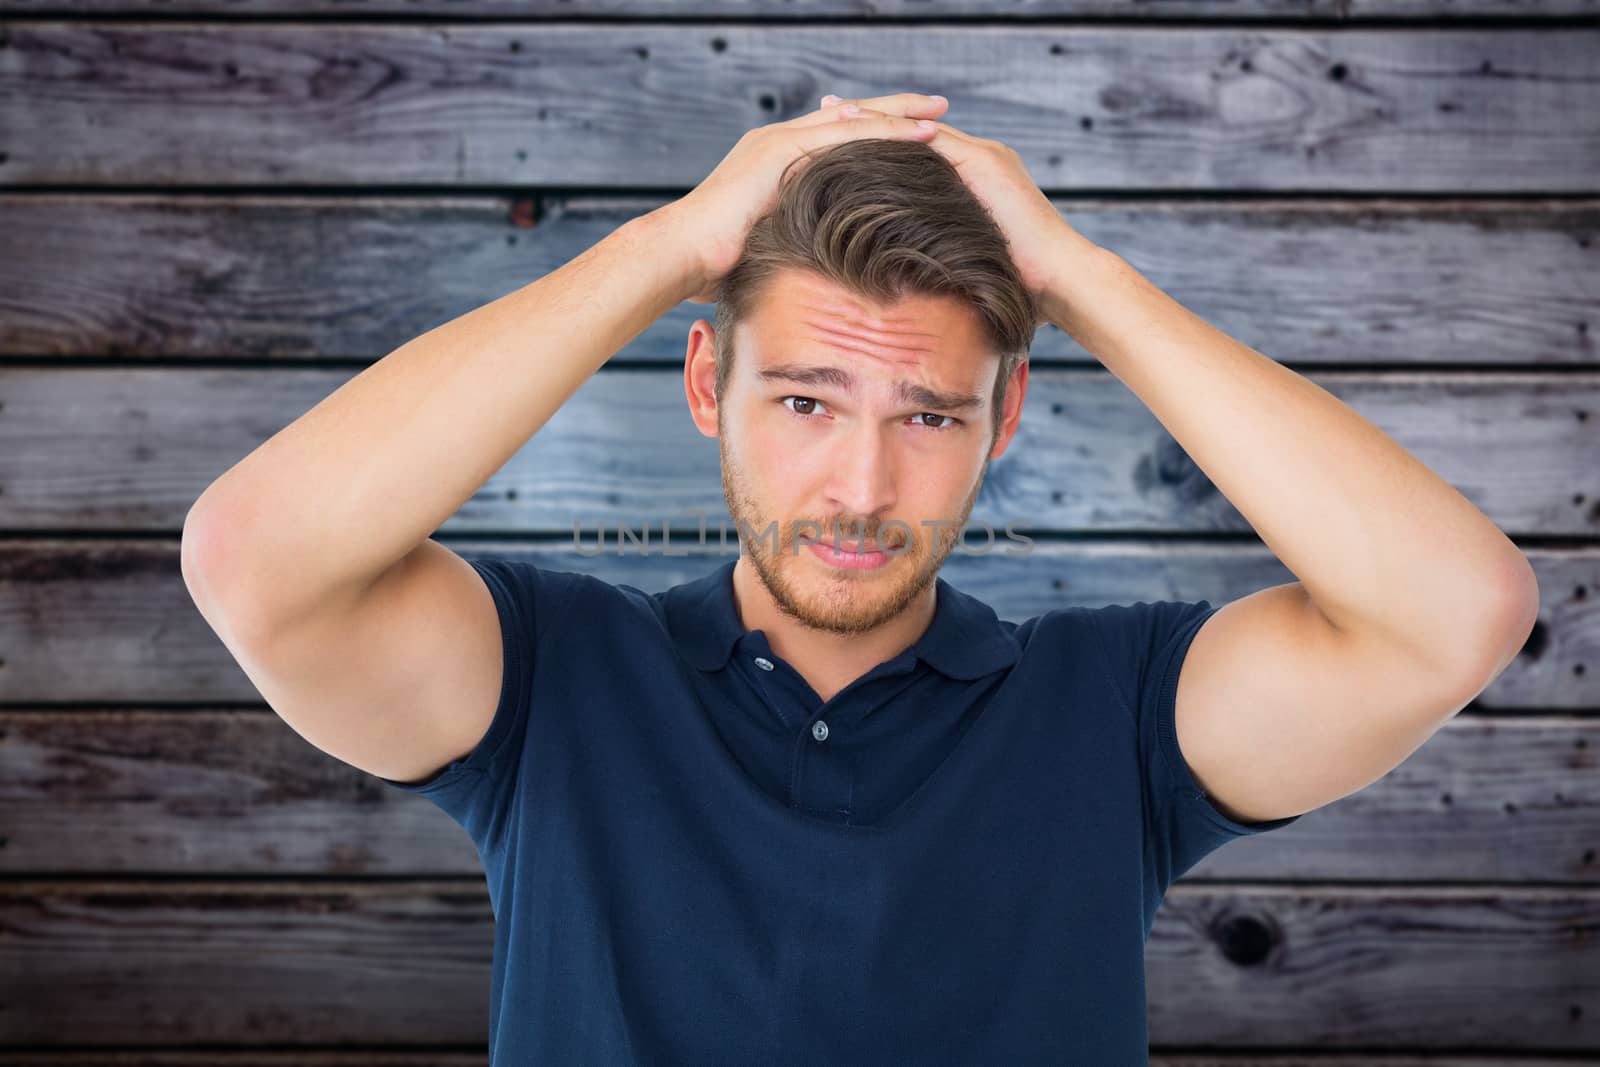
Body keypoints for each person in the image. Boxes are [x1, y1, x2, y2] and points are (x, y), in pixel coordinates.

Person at [181, 92, 1537, 1063]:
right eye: (809, 402)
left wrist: (1077, 276)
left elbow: (1457, 612)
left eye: (930, 416)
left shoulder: (1111, 714)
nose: (862, 490)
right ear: (709, 386)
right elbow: (255, 559)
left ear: (1000, 426)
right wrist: (675, 247)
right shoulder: (552, 684)